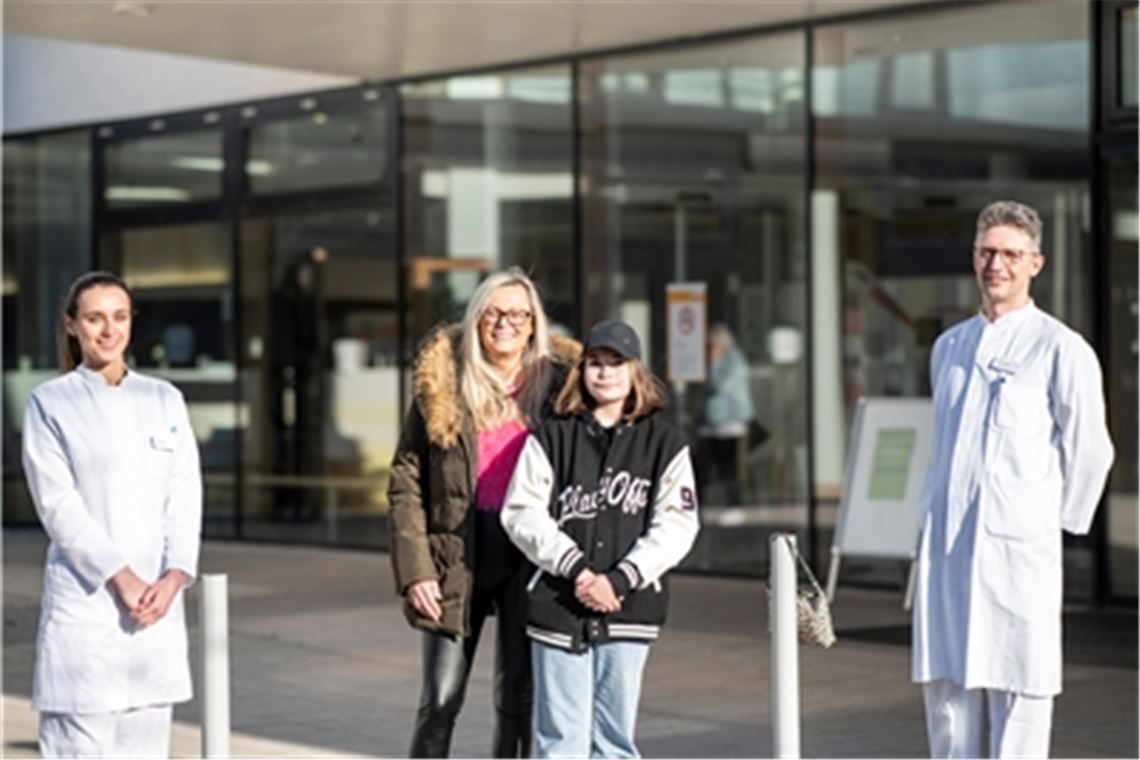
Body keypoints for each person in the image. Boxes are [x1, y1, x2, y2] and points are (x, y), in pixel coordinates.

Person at [911, 201, 1114, 758]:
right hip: (949, 549)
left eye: (1010, 254)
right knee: (948, 691)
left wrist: (1054, 524)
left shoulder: (1060, 348)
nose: (996, 264)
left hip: (1018, 552)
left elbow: (1090, 449)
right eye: (986, 251)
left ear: (1036, 264)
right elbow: (943, 447)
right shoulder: (948, 347)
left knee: (1019, 689)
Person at [388, 268, 580, 758]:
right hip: (456, 552)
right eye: (494, 312)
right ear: (476, 320)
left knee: (517, 700)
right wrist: (417, 573)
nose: (505, 323)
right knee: (440, 698)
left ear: (534, 322)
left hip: (528, 551)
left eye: (518, 313)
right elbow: (406, 481)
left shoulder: (560, 388)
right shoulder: (444, 383)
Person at [22, 271, 202, 758]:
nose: (108, 330)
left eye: (119, 317)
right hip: (89, 609)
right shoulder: (49, 403)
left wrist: (175, 576)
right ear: (72, 326)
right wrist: (121, 577)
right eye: (95, 318)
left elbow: (185, 494)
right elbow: (59, 508)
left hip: (155, 615)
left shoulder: (164, 398)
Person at [501, 320, 700, 758]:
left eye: (617, 363)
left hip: (629, 605)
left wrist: (622, 578)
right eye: (595, 363)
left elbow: (678, 524)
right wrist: (576, 568)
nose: (605, 373)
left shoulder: (664, 442)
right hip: (558, 603)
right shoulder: (553, 436)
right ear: (581, 371)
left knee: (614, 741)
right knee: (559, 741)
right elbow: (521, 511)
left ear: (636, 371)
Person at [697, 324, 756, 505]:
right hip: (711, 424)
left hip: (731, 423)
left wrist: (713, 362)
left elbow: (720, 386)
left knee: (730, 467)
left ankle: (734, 503)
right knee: (705, 467)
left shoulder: (734, 361)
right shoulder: (714, 361)